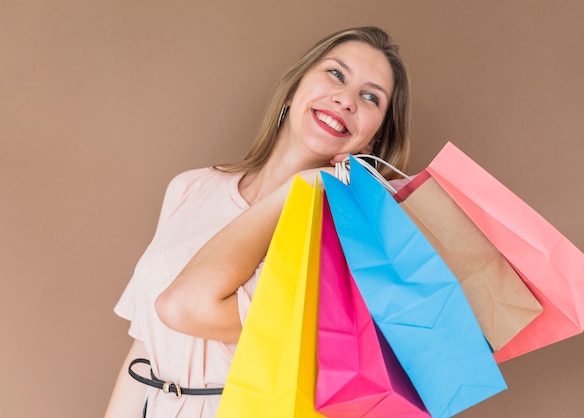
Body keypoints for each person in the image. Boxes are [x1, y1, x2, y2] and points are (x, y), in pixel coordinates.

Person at [105, 26, 412, 418]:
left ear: (371, 141)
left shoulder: (345, 239)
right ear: (293, 89)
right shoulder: (192, 187)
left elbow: (184, 307)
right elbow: (146, 349)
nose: (345, 99)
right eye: (335, 74)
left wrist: (297, 189)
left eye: (371, 97)